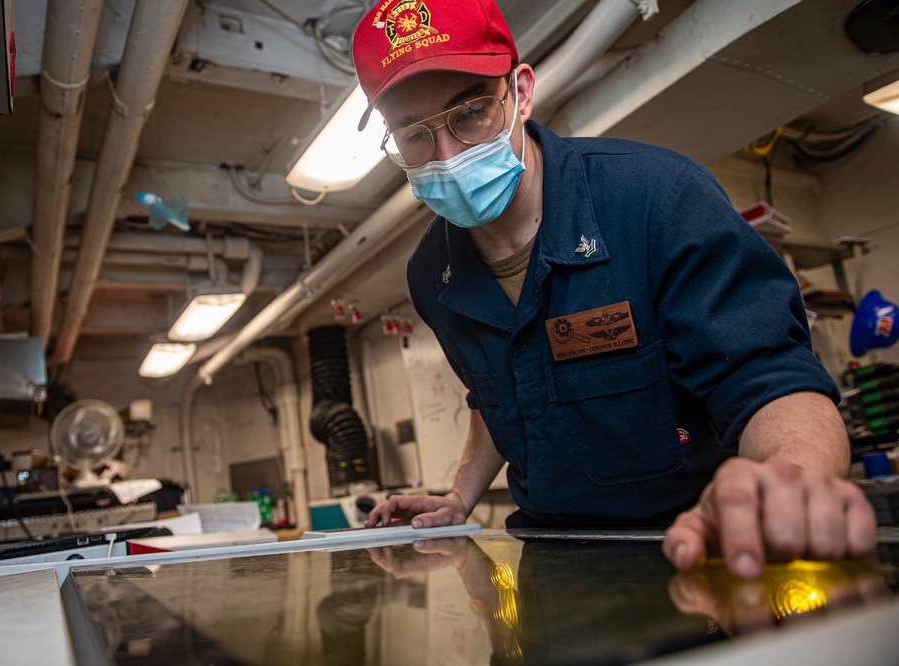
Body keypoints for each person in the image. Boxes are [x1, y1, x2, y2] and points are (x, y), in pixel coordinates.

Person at [353, 0, 877, 579]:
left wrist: (789, 483)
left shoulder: (657, 199)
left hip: (697, 556)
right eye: (413, 135)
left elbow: (770, 379)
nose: (448, 156)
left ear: (520, 94)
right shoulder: (432, 273)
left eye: (471, 111)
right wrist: (459, 499)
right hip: (546, 568)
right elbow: (496, 393)